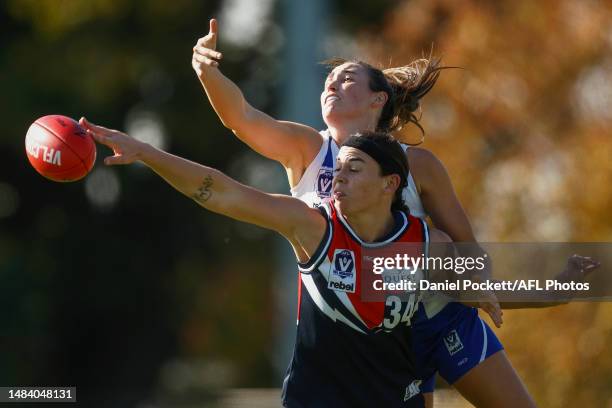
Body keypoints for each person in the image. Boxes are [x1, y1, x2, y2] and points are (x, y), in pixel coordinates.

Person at [189, 18, 566, 407]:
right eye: (327, 82)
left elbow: (466, 250)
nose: (331, 84)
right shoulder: (307, 150)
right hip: (375, 333)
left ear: (378, 99)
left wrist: (500, 286)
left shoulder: (418, 165)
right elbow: (241, 118)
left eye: (346, 78)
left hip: (438, 316)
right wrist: (207, 70)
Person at [83, 122, 454, 407]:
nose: (338, 177)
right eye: (338, 168)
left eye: (354, 169)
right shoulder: (312, 226)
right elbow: (224, 194)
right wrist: (147, 153)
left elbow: (482, 279)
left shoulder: (427, 243)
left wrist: (478, 289)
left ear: (390, 184)